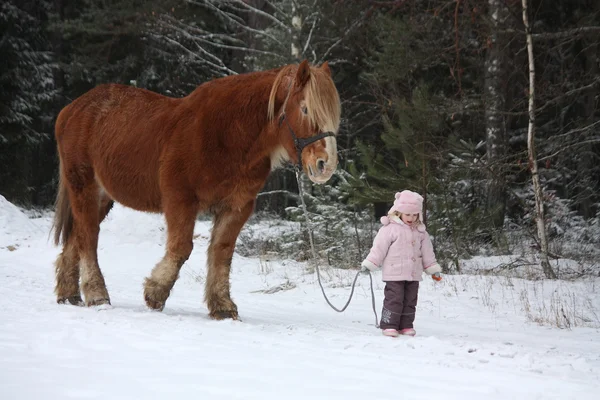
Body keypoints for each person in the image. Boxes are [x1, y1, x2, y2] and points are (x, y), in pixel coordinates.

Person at [361, 190, 442, 337]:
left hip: (413, 273)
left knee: (410, 300)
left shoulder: (421, 232)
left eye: (414, 214)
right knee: (395, 298)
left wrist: (432, 269)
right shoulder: (390, 229)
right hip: (394, 273)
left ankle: (406, 325)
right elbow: (379, 249)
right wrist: (370, 264)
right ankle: (389, 324)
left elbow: (428, 253)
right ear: (399, 213)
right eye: (408, 214)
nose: (411, 218)